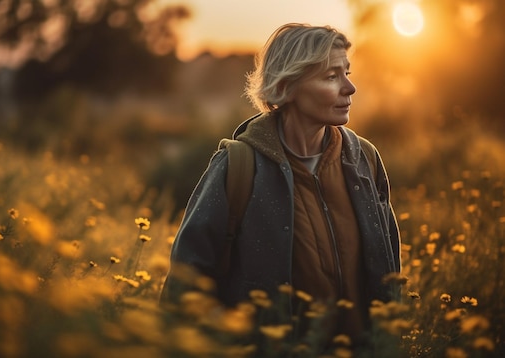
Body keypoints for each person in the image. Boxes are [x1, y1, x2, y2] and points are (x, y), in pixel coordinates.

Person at [160, 23, 401, 352]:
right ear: (286, 86)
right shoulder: (239, 166)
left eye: (347, 72)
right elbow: (186, 279)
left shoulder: (365, 161)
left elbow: (389, 273)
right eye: (331, 76)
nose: (350, 88)